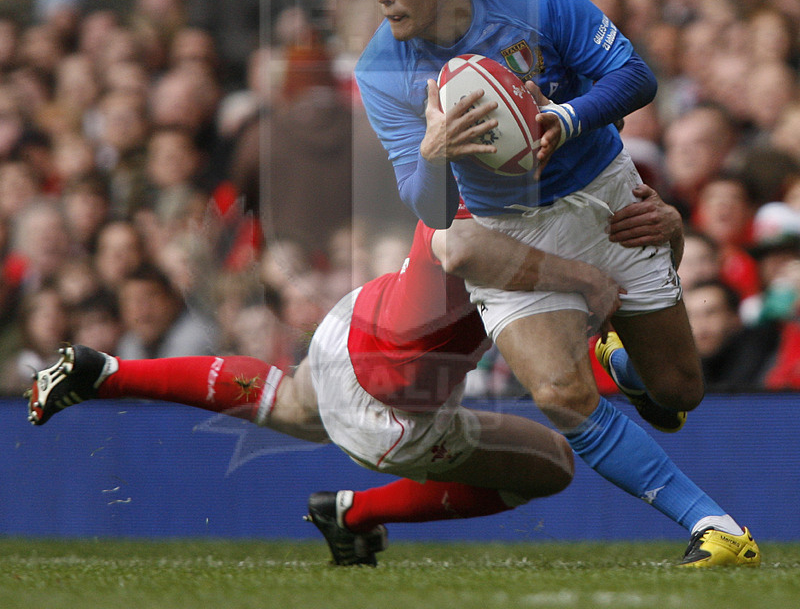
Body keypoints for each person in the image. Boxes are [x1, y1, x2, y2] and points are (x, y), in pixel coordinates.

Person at [342, 0, 758, 565]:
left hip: (603, 195)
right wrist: (434, 154)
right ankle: (714, 527)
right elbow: (429, 209)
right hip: (507, 228)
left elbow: (635, 76)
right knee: (562, 395)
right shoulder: (381, 68)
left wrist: (565, 119)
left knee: (678, 392)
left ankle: (619, 357)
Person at [27, 203, 758, 567]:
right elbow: (478, 259)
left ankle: (107, 373)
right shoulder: (525, 228)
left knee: (291, 402)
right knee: (553, 463)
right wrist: (593, 292)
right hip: (393, 404)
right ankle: (358, 512)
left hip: (357, 325)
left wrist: (661, 235)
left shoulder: (482, 179)